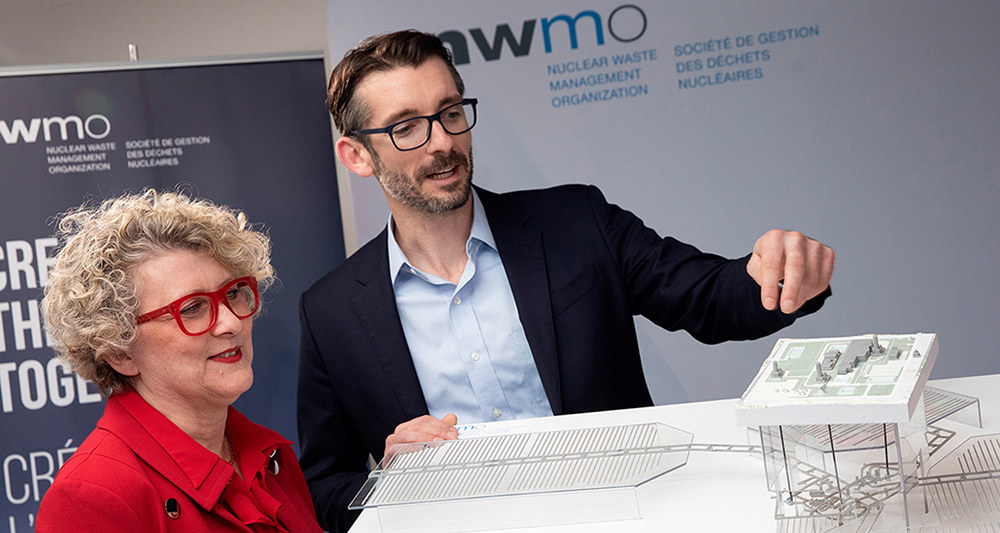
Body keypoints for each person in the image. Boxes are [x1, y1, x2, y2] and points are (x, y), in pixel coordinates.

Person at [297, 30, 835, 532]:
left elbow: (710, 298)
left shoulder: (578, 223)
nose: (441, 142)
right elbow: (323, 488)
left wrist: (778, 272)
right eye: (407, 126)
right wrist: (385, 485)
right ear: (358, 155)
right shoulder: (331, 313)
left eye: (451, 113)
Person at [36, 190, 323, 533]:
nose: (231, 323)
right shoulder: (93, 497)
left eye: (233, 293)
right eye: (191, 309)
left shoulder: (272, 456)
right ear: (120, 352)